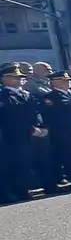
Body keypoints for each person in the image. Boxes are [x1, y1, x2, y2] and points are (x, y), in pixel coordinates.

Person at [0, 62, 45, 204]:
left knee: (25, 164)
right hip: (10, 138)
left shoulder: (27, 94)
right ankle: (9, 193)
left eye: (21, 77)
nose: (20, 80)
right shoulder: (3, 96)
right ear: (4, 79)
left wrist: (38, 126)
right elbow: (9, 118)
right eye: (15, 77)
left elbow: (36, 112)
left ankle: (23, 190)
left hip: (29, 136)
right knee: (10, 166)